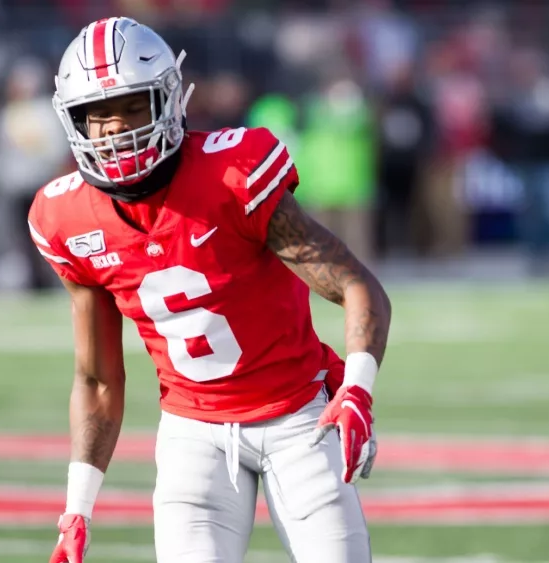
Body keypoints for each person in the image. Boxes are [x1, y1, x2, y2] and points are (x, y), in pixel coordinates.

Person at [28, 17, 391, 563]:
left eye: (131, 105)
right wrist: (77, 507)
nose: (115, 128)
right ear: (73, 119)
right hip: (192, 433)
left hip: (300, 420)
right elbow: (99, 379)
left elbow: (356, 285)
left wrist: (358, 390)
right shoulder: (67, 217)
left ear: (169, 99)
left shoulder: (232, 173)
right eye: (97, 113)